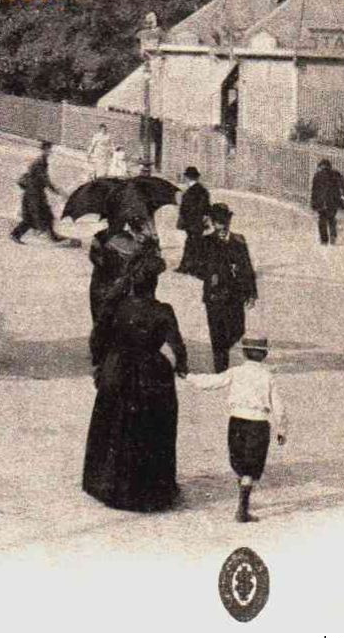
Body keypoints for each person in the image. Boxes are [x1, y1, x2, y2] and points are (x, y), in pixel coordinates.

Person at [82, 247, 188, 512]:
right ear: (154, 283)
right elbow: (178, 347)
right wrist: (181, 368)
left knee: (114, 426)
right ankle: (151, 490)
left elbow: (97, 338)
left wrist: (102, 364)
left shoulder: (117, 305)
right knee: (151, 429)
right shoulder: (163, 310)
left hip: (116, 370)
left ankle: (106, 483)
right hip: (151, 375)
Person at [182, 335, 287, 523]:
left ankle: (242, 498)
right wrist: (282, 429)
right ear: (265, 355)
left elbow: (212, 382)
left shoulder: (236, 372)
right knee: (252, 466)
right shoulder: (268, 377)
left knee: (239, 462)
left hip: (237, 421)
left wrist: (189, 376)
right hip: (258, 423)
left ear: (244, 353)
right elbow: (279, 407)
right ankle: (243, 507)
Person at [196, 202, 257, 374]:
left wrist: (251, 293)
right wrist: (209, 275)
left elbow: (247, 267)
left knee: (238, 330)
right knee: (217, 333)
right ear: (213, 223)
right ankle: (221, 369)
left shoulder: (239, 240)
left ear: (229, 222)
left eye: (225, 222)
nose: (222, 226)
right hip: (214, 295)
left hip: (236, 295)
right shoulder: (206, 241)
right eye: (218, 222)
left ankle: (224, 349)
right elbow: (196, 265)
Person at [11, 140, 67, 243]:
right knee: (30, 217)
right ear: (44, 149)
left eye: (50, 149)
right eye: (49, 149)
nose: (50, 152)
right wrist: (58, 191)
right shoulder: (39, 162)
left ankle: (53, 237)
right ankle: (15, 234)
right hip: (33, 194)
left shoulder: (42, 161)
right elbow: (45, 180)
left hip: (37, 193)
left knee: (48, 214)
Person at [175, 166, 210, 276]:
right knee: (193, 243)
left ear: (187, 177)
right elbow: (206, 207)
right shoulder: (202, 190)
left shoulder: (191, 191)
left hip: (192, 222)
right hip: (196, 222)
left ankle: (191, 268)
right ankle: (189, 267)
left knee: (193, 244)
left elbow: (191, 207)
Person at [310, 158, 344, 246]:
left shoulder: (317, 175)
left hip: (321, 202)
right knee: (332, 219)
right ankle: (333, 236)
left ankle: (324, 240)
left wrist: (313, 203)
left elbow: (314, 191)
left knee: (322, 220)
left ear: (321, 166)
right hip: (333, 201)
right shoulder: (335, 174)